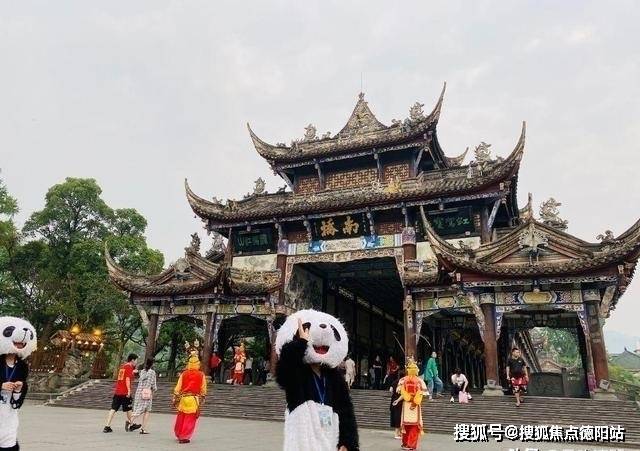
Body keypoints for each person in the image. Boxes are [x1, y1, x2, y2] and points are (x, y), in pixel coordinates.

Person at [275, 309, 359, 451]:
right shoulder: (297, 373)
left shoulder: (335, 378)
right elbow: (284, 369)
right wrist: (300, 342)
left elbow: (346, 411)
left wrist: (347, 442)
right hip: (303, 441)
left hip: (330, 439)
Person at [0, 316, 37, 451]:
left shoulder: (22, 366)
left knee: (8, 439)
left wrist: (19, 389)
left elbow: (21, 393)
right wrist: (1, 385)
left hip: (8, 410)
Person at [173, 347, 207, 444]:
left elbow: (178, 387)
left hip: (183, 398)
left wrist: (175, 396)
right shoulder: (201, 375)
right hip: (193, 399)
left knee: (181, 417)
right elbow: (203, 388)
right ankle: (184, 436)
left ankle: (178, 433)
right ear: (198, 364)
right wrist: (203, 396)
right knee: (190, 419)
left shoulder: (184, 374)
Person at [397, 359, 428, 450]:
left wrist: (413, 399)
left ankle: (408, 444)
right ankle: (409, 444)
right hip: (411, 405)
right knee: (410, 425)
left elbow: (399, 391)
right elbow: (424, 394)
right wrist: (414, 400)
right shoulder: (418, 381)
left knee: (410, 425)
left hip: (411, 404)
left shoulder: (404, 380)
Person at [104, 353, 138, 433]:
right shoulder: (129, 367)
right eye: (136, 360)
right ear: (132, 360)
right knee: (129, 409)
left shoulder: (122, 367)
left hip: (118, 391)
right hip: (125, 392)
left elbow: (122, 378)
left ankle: (107, 426)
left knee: (113, 409)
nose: (136, 362)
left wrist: (133, 372)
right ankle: (132, 425)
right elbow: (127, 379)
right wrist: (129, 390)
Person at [129, 358, 158, 434]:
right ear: (152, 364)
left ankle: (135, 424)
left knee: (140, 409)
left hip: (139, 392)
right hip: (147, 394)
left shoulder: (142, 371)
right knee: (146, 411)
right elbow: (153, 385)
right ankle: (131, 421)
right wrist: (154, 391)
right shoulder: (152, 372)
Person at [389, 369, 404, 440]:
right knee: (399, 417)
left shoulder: (394, 382)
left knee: (396, 416)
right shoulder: (403, 383)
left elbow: (390, 390)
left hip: (393, 400)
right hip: (400, 401)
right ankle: (397, 433)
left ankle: (399, 433)